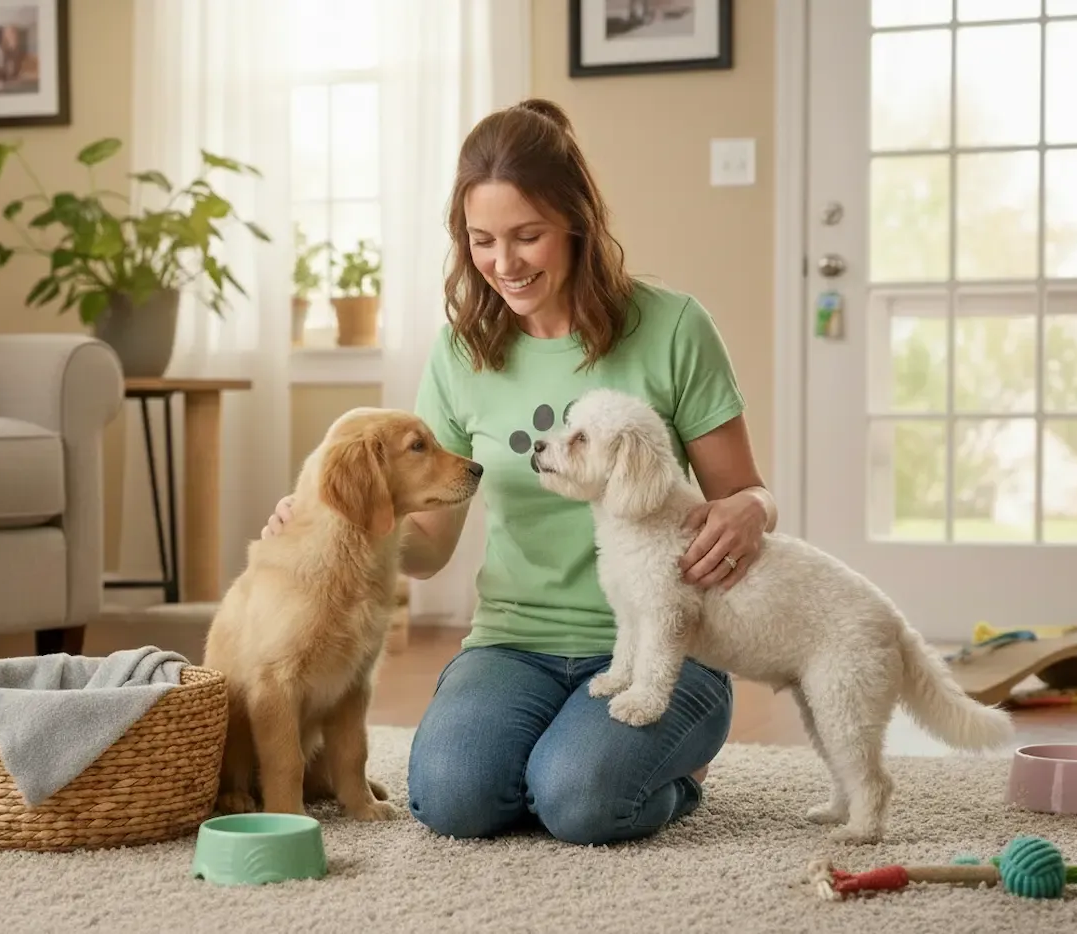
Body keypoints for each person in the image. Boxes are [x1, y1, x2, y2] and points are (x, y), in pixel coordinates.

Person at [262, 98, 777, 846]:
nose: (504, 264)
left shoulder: (672, 328)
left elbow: (746, 494)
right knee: (451, 799)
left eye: (527, 236)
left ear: (575, 220)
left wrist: (753, 509)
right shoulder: (461, 353)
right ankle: (579, 752)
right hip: (514, 641)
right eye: (482, 241)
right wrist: (332, 523)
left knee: (580, 801)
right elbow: (431, 547)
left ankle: (670, 768)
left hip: (660, 639)